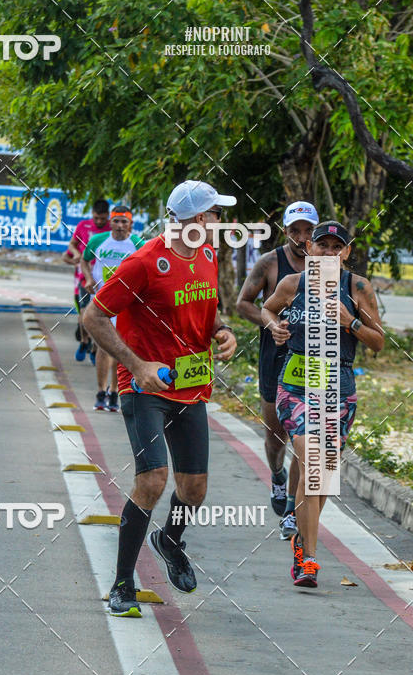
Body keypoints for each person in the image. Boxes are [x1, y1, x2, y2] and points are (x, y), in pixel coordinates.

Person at [84, 180, 237, 616]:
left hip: (191, 386)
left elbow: (207, 309)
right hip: (145, 387)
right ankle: (122, 583)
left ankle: (170, 540)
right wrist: (136, 366)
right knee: (152, 480)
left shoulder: (208, 254)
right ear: (200, 218)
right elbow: (93, 316)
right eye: (218, 214)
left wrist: (222, 331)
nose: (222, 222)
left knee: (194, 489)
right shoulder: (144, 262)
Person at [261, 222, 384, 588]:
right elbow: (267, 309)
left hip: (338, 388)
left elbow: (378, 342)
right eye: (323, 245)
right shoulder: (293, 284)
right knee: (312, 461)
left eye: (336, 246)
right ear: (309, 249)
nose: (329, 252)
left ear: (346, 252)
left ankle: (302, 539)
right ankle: (308, 560)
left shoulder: (357, 288)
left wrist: (351, 323)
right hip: (296, 385)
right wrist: (274, 327)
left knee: (323, 475)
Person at [236, 201, 319, 539]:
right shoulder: (270, 263)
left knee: (305, 437)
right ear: (285, 231)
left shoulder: (326, 264)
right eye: (295, 230)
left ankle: (291, 513)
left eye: (308, 230)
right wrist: (271, 324)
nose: (302, 237)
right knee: (276, 435)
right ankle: (277, 475)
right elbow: (243, 303)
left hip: (312, 360)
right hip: (275, 356)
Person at [80, 205, 145, 412]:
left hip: (125, 305)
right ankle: (101, 391)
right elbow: (84, 260)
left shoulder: (138, 244)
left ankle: (115, 391)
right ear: (110, 222)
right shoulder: (98, 241)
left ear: (130, 224)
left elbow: (147, 269)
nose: (119, 225)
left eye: (124, 221)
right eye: (116, 221)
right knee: (103, 347)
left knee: (120, 347)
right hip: (101, 303)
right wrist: (89, 278)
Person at [62, 199, 110, 361]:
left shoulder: (113, 229)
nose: (99, 222)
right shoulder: (83, 226)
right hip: (85, 277)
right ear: (92, 214)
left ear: (108, 216)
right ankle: (84, 341)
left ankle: (95, 348)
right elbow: (71, 246)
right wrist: (76, 255)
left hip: (105, 279)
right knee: (84, 313)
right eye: (96, 218)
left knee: (100, 316)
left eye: (102, 219)